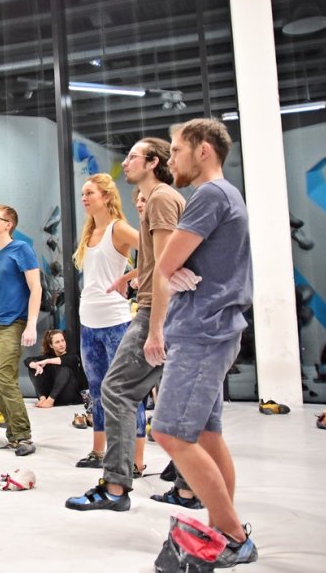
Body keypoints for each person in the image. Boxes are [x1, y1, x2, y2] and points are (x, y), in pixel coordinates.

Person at [150, 118, 257, 566]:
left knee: (170, 431)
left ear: (204, 150)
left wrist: (167, 268)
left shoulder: (210, 195)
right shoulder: (228, 195)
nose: (171, 158)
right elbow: (171, 266)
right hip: (214, 328)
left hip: (202, 331)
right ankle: (222, 525)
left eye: (176, 149)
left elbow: (165, 262)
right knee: (207, 434)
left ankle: (232, 535)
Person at [66, 136, 185, 511]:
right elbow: (159, 262)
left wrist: (153, 322)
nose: (126, 162)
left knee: (120, 390)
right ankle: (184, 484)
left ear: (152, 162)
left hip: (140, 315)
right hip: (99, 318)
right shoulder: (151, 206)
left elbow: (165, 266)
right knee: (122, 391)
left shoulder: (161, 201)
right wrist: (136, 277)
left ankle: (121, 483)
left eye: (132, 156)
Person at [71, 174, 143, 472]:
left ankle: (136, 461)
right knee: (97, 389)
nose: (84, 198)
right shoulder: (89, 233)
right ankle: (98, 451)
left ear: (106, 196)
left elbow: (156, 251)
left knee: (126, 392)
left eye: (89, 193)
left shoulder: (119, 229)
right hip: (88, 322)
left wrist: (130, 276)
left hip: (116, 322)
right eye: (83, 193)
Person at [0, 204, 41, 457]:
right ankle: (12, 434)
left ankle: (23, 436)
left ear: (8, 224)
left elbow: (36, 288)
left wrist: (31, 324)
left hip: (13, 324)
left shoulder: (22, 249)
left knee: (5, 379)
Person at [25, 329, 81, 407]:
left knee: (65, 369)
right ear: (51, 345)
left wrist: (47, 361)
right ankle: (42, 398)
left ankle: (50, 400)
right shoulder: (47, 357)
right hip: (51, 395)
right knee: (33, 367)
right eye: (57, 342)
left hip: (68, 396)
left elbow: (65, 360)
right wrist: (36, 366)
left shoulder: (72, 357)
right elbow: (27, 360)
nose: (61, 344)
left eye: (62, 340)